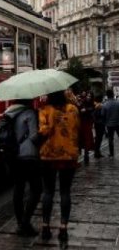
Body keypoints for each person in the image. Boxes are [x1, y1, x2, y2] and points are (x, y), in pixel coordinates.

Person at [37, 90, 80, 242]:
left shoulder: (44, 110)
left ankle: (45, 226)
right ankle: (63, 228)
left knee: (48, 192)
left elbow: (43, 131)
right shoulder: (73, 109)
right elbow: (77, 128)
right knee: (65, 192)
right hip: (68, 155)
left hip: (48, 155)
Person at [3, 99, 41, 237]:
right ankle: (25, 223)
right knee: (36, 189)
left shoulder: (9, 112)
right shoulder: (29, 113)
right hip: (28, 155)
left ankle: (20, 223)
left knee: (18, 188)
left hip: (14, 155)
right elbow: (33, 136)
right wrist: (44, 134)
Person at [102, 89, 119, 157]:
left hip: (109, 124)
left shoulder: (105, 105)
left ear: (107, 95)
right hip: (118, 123)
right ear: (113, 94)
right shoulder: (117, 103)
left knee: (110, 139)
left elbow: (103, 114)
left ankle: (111, 153)